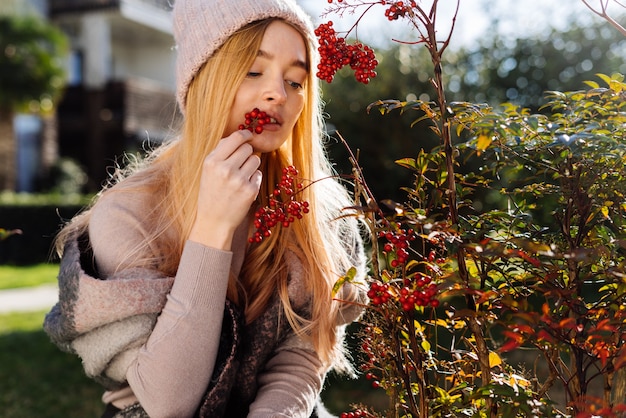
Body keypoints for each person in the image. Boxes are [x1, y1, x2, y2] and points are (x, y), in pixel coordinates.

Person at [43, 0, 367, 417]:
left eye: (296, 81)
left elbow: (301, 359)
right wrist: (212, 229)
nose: (278, 93)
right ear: (204, 80)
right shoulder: (129, 213)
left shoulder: (317, 216)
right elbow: (167, 402)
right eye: (253, 70)